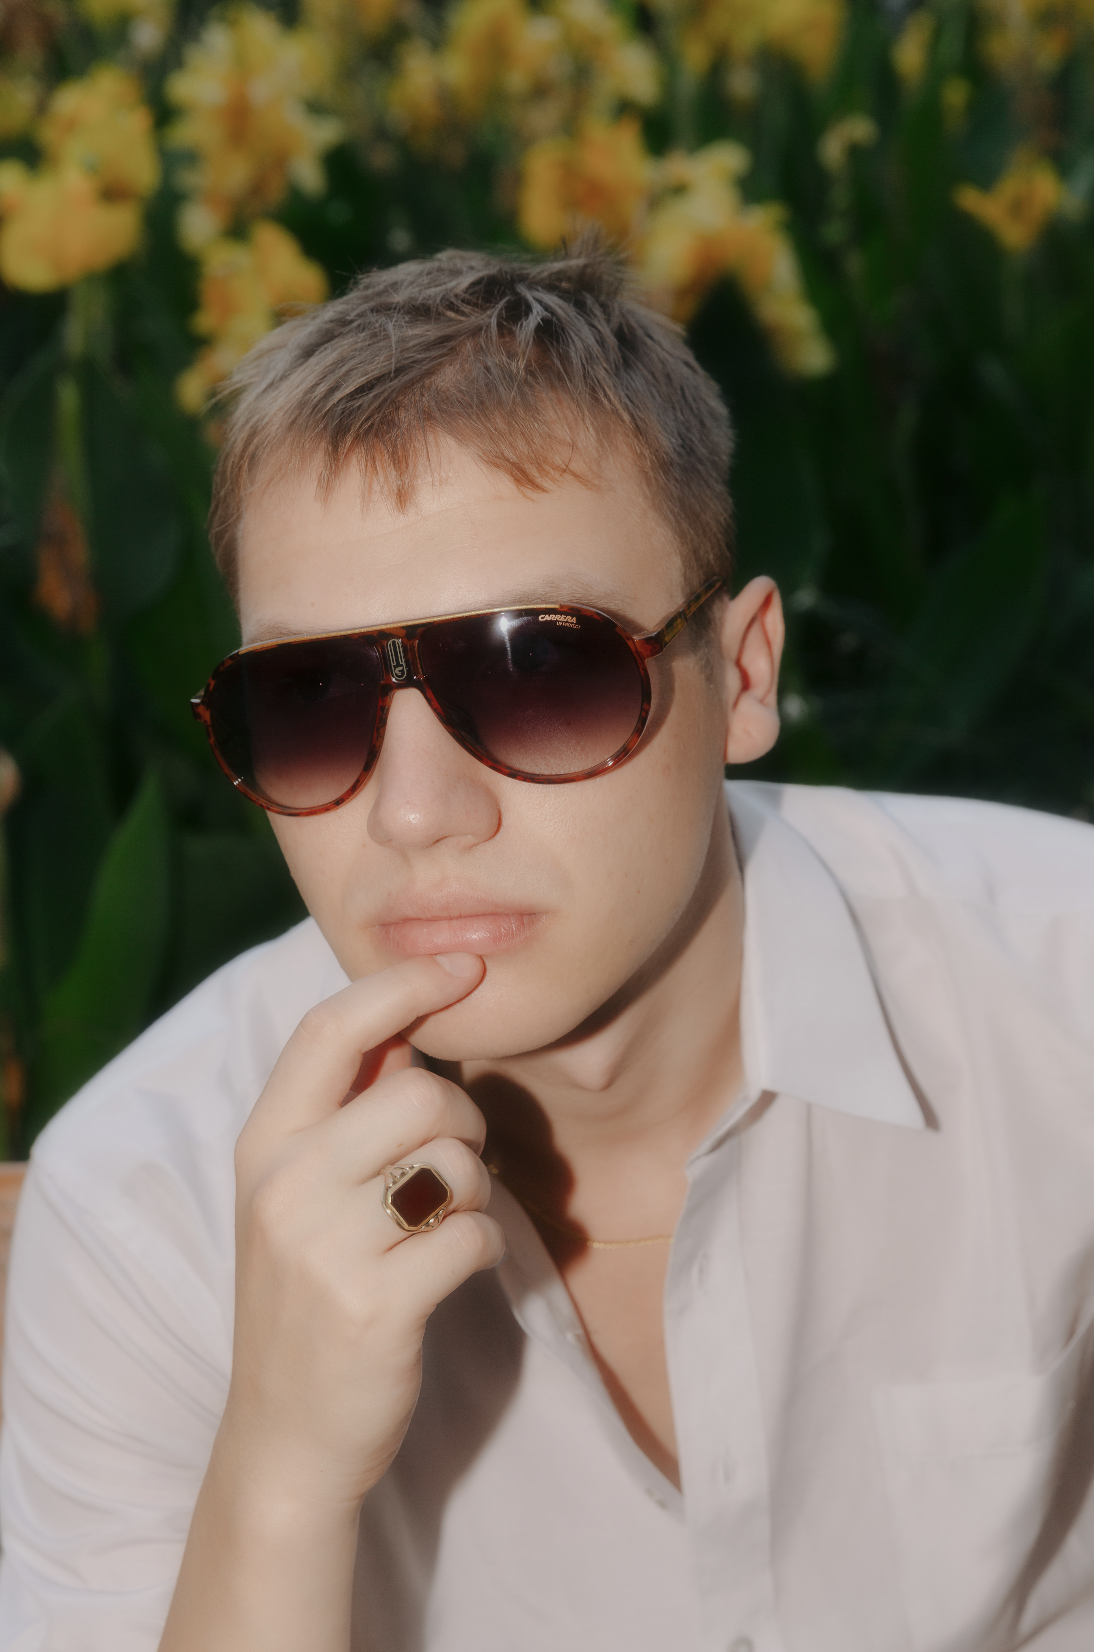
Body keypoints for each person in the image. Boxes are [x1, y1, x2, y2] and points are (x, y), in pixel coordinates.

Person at [1, 242, 1093, 1652]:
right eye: (312, 698)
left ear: (741, 674)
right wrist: (275, 1471)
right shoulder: (144, 1212)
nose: (414, 813)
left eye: (540, 669)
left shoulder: (1058, 995)